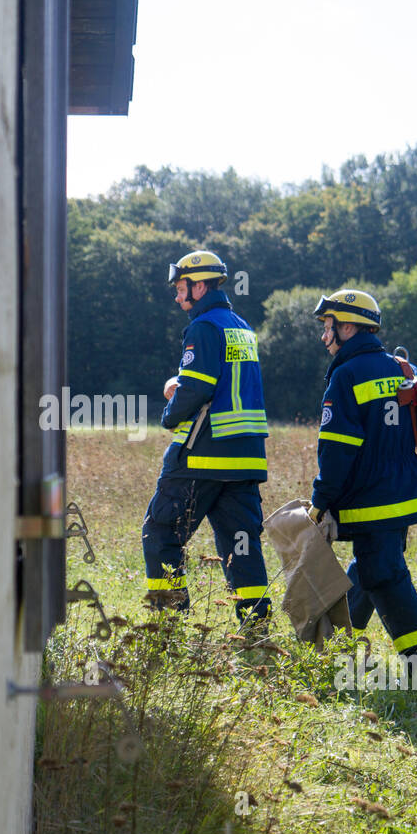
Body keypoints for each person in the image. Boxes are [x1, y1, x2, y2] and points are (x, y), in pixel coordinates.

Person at [308, 290, 417, 661]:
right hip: (405, 496)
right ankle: (333, 649)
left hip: (371, 503)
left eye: (328, 326)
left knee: (384, 576)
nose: (325, 336)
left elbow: (337, 450)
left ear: (349, 326)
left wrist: (320, 502)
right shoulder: (405, 369)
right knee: (372, 567)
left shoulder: (346, 376)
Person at [141, 250, 271, 631]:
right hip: (245, 461)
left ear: (200, 286)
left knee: (161, 535)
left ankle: (169, 630)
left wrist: (169, 413)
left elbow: (197, 386)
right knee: (242, 546)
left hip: (201, 457)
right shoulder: (241, 327)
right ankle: (256, 631)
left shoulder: (202, 327)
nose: (178, 297)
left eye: (181, 289)